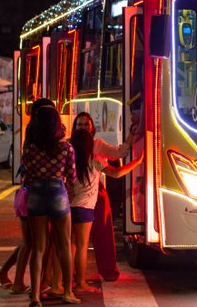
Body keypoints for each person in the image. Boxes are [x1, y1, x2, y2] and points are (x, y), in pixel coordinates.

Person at [0, 98, 55, 294]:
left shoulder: (31, 134)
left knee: (29, 241)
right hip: (33, 194)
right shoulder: (40, 138)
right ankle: (19, 279)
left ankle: (8, 274)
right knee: (33, 242)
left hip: (26, 193)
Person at [21, 106, 79, 306]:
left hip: (36, 192)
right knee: (63, 245)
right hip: (57, 192)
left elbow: (26, 175)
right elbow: (72, 177)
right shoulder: (66, 148)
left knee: (38, 248)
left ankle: (35, 296)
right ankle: (67, 292)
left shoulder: (29, 148)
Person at [72, 111, 131, 282]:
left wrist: (129, 140)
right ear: (75, 128)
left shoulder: (97, 145)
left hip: (96, 193)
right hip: (75, 196)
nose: (83, 127)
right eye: (80, 125)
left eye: (86, 125)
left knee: (103, 232)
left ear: (92, 128)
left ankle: (107, 270)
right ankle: (71, 273)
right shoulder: (70, 145)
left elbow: (118, 154)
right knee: (73, 240)